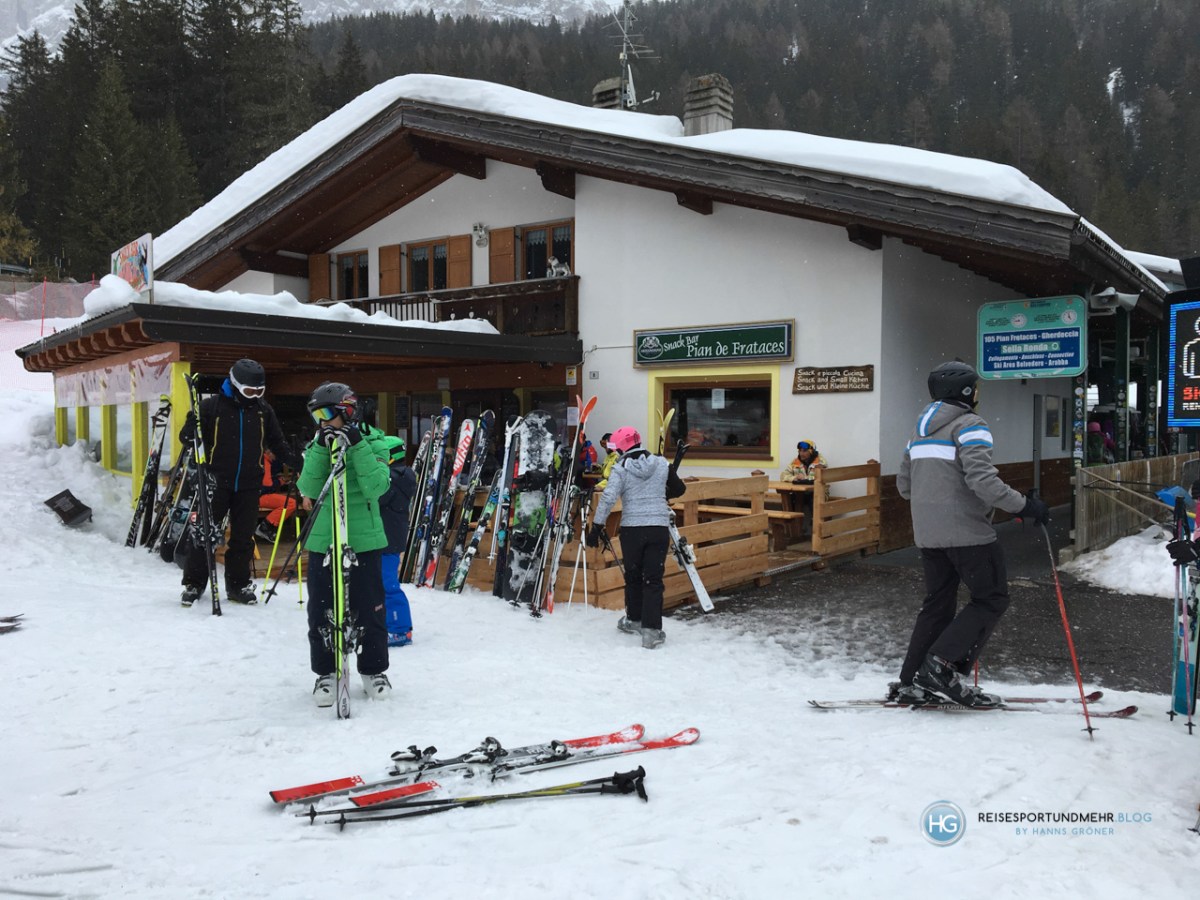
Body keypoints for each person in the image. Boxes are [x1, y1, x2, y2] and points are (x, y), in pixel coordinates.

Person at [893, 361, 1049, 707]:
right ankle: (941, 666)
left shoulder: (917, 433)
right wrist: (1026, 506)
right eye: (976, 387)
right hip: (968, 534)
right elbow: (983, 482)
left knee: (937, 605)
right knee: (991, 598)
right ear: (966, 392)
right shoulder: (971, 425)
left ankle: (910, 680)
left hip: (929, 536)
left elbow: (904, 486)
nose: (979, 393)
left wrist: (935, 500)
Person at [296, 382, 393, 705]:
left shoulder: (376, 444)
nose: (322, 423)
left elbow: (376, 487)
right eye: (316, 417)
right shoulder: (316, 445)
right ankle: (325, 673)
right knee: (321, 608)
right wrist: (322, 449)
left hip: (363, 538)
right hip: (325, 539)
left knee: (371, 608)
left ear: (348, 412)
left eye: (327, 415)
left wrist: (356, 446)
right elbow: (308, 487)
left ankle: (373, 669)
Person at [179, 359, 300, 607]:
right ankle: (194, 583)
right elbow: (186, 438)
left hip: (248, 484)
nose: (253, 396)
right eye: (249, 392)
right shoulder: (211, 407)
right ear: (234, 385)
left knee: (243, 538)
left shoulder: (263, 411)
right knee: (205, 535)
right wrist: (190, 430)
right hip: (215, 481)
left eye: (259, 392)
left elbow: (277, 442)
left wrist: (295, 461)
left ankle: (237, 585)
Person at [586, 426, 685, 650]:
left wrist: (597, 527)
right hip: (658, 528)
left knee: (633, 575)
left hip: (632, 530)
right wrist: (658, 494)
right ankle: (651, 631)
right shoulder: (661, 463)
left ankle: (633, 619)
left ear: (621, 448)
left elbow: (609, 497)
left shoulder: (621, 468)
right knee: (653, 579)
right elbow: (679, 488)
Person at [378, 435, 416, 647]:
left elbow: (378, 498)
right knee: (379, 583)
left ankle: (400, 629)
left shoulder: (394, 478)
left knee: (387, 584)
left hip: (388, 540)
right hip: (386, 538)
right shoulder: (400, 475)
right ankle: (385, 622)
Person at [781, 439, 827, 537]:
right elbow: (783, 475)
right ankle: (793, 532)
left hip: (818, 492)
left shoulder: (820, 461)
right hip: (800, 493)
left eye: (804, 451)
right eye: (800, 451)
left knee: (815, 503)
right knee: (789, 501)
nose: (801, 453)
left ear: (811, 451)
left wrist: (805, 479)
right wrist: (794, 477)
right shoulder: (795, 461)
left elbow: (820, 477)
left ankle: (819, 535)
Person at [254, 452, 298, 543]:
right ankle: (265, 527)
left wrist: (284, 478)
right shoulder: (264, 462)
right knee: (291, 503)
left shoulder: (269, 460)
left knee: (291, 502)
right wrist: (281, 481)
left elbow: (285, 465)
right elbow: (267, 485)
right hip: (259, 496)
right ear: (268, 452)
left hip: (260, 494)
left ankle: (266, 527)